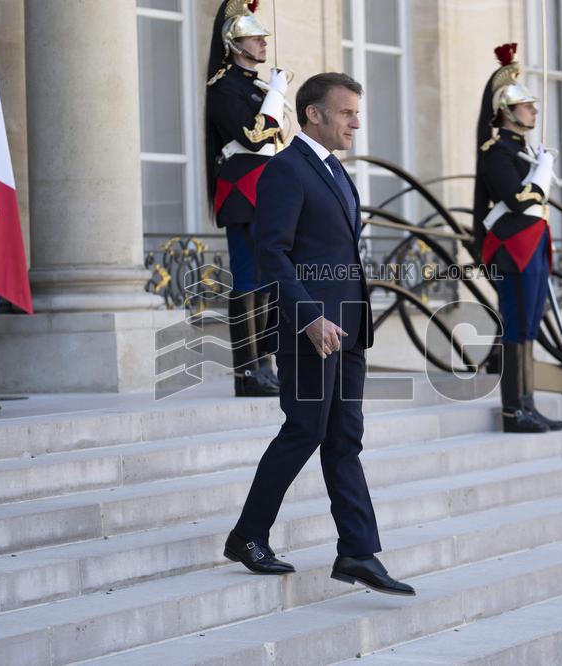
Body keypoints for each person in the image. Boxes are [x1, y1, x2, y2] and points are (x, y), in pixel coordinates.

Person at [223, 73, 415, 597]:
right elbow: (272, 252)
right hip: (310, 331)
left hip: (347, 331)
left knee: (344, 438)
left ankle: (357, 552)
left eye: (357, 111)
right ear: (313, 114)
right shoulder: (286, 170)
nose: (356, 121)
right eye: (346, 111)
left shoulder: (335, 172)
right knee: (305, 429)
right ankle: (247, 536)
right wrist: (308, 316)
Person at [473, 43, 562, 434]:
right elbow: (516, 198)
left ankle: (528, 404)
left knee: (529, 326)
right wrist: (543, 173)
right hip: (513, 251)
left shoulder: (523, 152)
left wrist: (538, 165)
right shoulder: (497, 151)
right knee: (516, 326)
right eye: (527, 106)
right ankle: (514, 411)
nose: (534, 110)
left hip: (533, 246)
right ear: (507, 113)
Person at [205, 0, 289, 397]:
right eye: (254, 38)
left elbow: (279, 138)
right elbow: (252, 135)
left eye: (261, 37)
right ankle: (246, 372)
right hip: (242, 191)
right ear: (235, 43)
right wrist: (275, 94)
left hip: (268, 189)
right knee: (247, 280)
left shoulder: (254, 87)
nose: (262, 42)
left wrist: (271, 93)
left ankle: (268, 363)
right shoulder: (224, 87)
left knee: (272, 280)